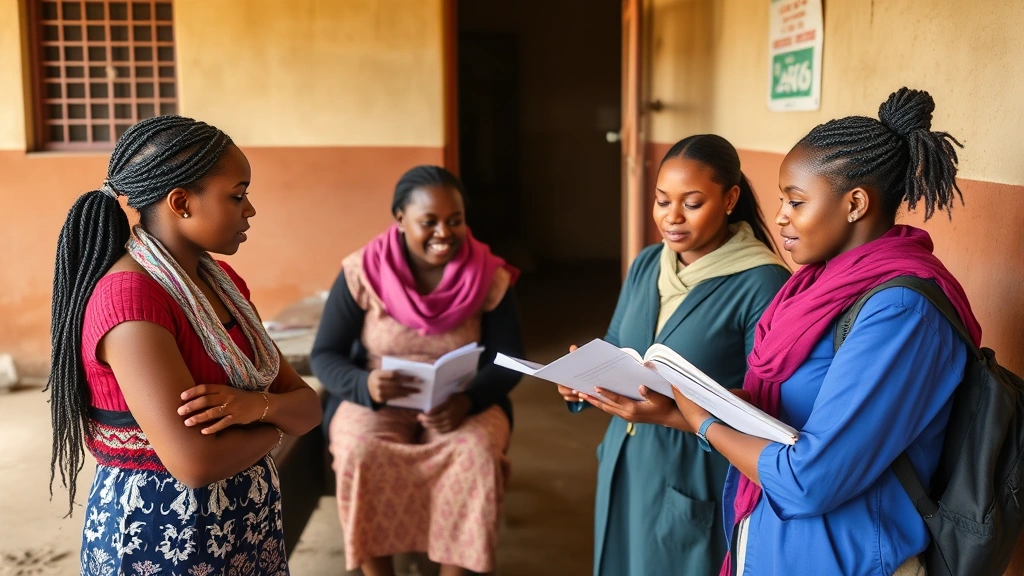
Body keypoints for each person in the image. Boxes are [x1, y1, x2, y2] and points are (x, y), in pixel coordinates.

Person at [670, 88, 980, 576]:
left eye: (795, 201)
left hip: (848, 561)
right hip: (775, 548)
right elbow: (792, 417)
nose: (779, 217)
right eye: (781, 200)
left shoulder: (901, 313)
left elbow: (809, 480)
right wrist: (693, 407)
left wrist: (706, 424)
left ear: (855, 203)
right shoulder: (816, 286)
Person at [47, 115, 323, 575]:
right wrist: (275, 421)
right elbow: (195, 462)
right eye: (237, 195)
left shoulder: (222, 282)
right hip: (161, 536)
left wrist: (253, 408)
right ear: (181, 203)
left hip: (244, 526)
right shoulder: (130, 300)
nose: (249, 209)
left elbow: (309, 407)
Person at [558, 135, 790, 576]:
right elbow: (616, 343)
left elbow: (766, 411)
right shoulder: (648, 263)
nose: (672, 217)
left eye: (692, 203)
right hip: (626, 464)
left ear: (730, 199)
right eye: (662, 201)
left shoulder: (761, 283)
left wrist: (668, 414)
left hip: (694, 474)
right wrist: (579, 380)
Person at [311, 165, 524, 576]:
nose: (444, 233)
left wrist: (469, 400)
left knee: (474, 453)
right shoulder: (363, 272)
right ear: (400, 220)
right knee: (361, 451)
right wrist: (364, 383)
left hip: (463, 400)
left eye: (455, 221)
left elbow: (508, 359)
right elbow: (325, 353)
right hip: (377, 399)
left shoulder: (489, 276)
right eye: (429, 222)